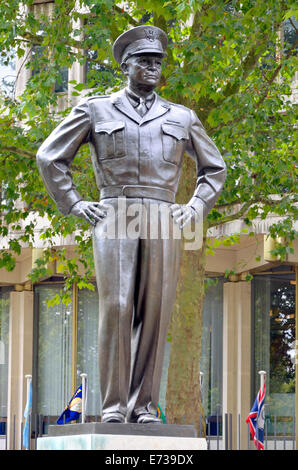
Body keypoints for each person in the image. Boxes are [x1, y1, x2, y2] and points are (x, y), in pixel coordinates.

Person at [37, 25, 226, 424]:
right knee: (118, 307)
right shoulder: (95, 108)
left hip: (163, 215)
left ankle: (143, 407)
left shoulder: (182, 116)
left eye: (158, 62)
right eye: (144, 61)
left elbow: (215, 169)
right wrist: (72, 202)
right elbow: (50, 156)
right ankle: (112, 408)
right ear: (126, 65)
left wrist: (193, 208)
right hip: (115, 212)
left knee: (155, 311)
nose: (153, 68)